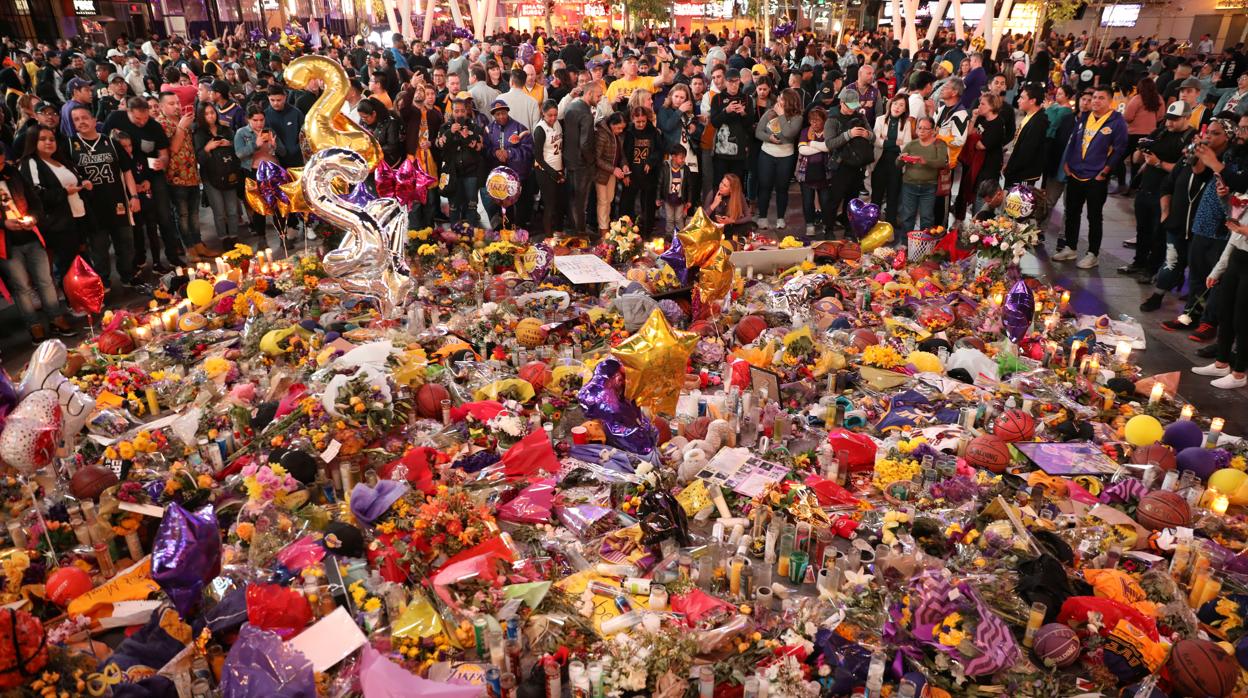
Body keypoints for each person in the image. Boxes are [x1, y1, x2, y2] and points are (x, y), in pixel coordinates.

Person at [0, 145, 75, 343]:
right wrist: (3, 223)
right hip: (6, 244)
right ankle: (34, 325)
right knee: (22, 286)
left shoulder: (12, 173)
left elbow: (34, 200)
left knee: (45, 280)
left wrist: (33, 217)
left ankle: (56, 318)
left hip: (31, 235)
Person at [103, 96, 186, 268]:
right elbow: (103, 141)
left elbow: (164, 153)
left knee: (164, 215)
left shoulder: (154, 126)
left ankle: (172, 254)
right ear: (128, 112)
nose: (141, 122)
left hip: (151, 173)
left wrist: (162, 162)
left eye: (145, 117)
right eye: (137, 119)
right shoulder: (115, 119)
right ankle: (138, 258)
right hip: (124, 174)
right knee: (135, 221)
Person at [1118, 100, 1195, 282]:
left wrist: (1159, 163)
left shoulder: (1191, 138)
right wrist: (1140, 151)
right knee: (1142, 230)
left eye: (1175, 120)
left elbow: (1185, 168)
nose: (1169, 123)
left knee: (1159, 234)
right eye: (1168, 119)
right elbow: (1138, 158)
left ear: (1187, 118)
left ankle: (1152, 268)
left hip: (1167, 194)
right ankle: (1139, 262)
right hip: (1146, 188)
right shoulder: (1160, 132)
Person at [1054, 86, 1128, 269]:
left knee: (1094, 216)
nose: (1095, 101)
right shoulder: (1084, 117)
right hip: (1076, 173)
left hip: (1096, 177)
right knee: (1071, 212)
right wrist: (1068, 162)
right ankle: (1070, 247)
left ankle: (1092, 253)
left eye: (1101, 98)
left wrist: (1106, 171)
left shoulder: (1116, 122)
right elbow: (1074, 140)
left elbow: (1120, 149)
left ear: (1110, 101)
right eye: (1094, 97)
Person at [68, 105, 139, 291]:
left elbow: (127, 170)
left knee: (126, 243)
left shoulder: (110, 142)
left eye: (84, 117)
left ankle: (127, 275)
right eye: (76, 119)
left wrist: (134, 196)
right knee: (99, 249)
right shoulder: (69, 146)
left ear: (93, 121)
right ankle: (103, 281)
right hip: (91, 207)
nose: (81, 122)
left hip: (117, 203)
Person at [17, 124, 88, 283]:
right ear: (33, 141)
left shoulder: (60, 160)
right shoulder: (30, 162)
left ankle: (88, 297)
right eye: (42, 139)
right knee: (67, 264)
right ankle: (74, 302)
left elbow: (74, 181)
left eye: (51, 139)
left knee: (82, 259)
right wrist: (64, 192)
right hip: (58, 222)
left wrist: (83, 184)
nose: (48, 142)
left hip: (78, 216)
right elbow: (35, 194)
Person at [1197, 209, 1248, 390]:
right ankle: (1221, 363)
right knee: (1225, 314)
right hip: (1237, 260)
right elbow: (1233, 239)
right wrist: (1218, 269)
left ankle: (1239, 373)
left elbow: (1241, 230)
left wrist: (1243, 230)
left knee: (1242, 320)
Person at [156, 91, 210, 260]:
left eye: (177, 103)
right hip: (176, 177)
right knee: (183, 215)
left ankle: (199, 243)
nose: (177, 106)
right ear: (161, 106)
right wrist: (181, 127)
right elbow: (173, 148)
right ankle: (189, 248)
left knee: (194, 213)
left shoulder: (182, 120)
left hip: (192, 173)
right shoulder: (161, 124)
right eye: (171, 104)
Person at [753, 88, 802, 232]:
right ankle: (762, 217)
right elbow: (758, 132)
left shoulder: (797, 117)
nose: (779, 101)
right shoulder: (769, 113)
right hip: (767, 153)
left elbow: (788, 133)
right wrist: (769, 138)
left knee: (782, 188)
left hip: (786, 156)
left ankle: (780, 218)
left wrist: (781, 115)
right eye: (779, 98)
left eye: (782, 99)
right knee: (764, 186)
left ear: (790, 102)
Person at [194, 103, 242, 249]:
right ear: (202, 116)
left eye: (212, 112)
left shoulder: (226, 129)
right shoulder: (199, 134)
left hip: (229, 173)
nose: (211, 116)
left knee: (232, 209)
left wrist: (229, 144)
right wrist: (208, 148)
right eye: (207, 113)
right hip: (210, 176)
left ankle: (234, 236)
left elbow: (237, 149)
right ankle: (224, 238)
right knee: (219, 211)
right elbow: (198, 158)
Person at [235, 104, 286, 238]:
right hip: (254, 171)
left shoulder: (270, 131)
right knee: (258, 205)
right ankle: (261, 236)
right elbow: (239, 154)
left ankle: (282, 234)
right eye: (255, 120)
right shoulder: (242, 133)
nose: (259, 123)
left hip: (273, 171)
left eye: (261, 120)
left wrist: (275, 146)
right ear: (248, 120)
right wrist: (255, 145)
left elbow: (283, 152)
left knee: (277, 204)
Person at [437, 95, 486, 228]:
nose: (459, 114)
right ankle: (454, 236)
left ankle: (471, 234)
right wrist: (450, 132)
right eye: (456, 111)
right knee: (453, 207)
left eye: (462, 111)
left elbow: (479, 147)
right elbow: (440, 146)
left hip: (471, 172)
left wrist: (467, 136)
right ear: (451, 111)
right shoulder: (445, 127)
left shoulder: (474, 126)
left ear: (467, 111)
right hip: (452, 174)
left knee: (471, 205)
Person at [483, 99, 533, 224]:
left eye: (503, 113)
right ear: (493, 115)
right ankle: (508, 231)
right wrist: (495, 153)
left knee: (521, 206)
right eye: (497, 114)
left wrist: (509, 153)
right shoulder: (489, 130)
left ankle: (522, 232)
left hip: (518, 175)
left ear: (507, 112)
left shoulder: (520, 128)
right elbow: (485, 149)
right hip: (499, 178)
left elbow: (529, 150)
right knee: (504, 206)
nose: (501, 116)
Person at [562, 82, 601, 239]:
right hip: (581, 163)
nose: (599, 99)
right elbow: (585, 144)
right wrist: (592, 161)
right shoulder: (585, 114)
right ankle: (580, 234)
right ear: (589, 93)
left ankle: (574, 230)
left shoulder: (571, 106)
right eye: (598, 96)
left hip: (569, 159)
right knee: (580, 201)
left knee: (572, 198)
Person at [897, 116, 950, 230]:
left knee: (927, 217)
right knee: (907, 216)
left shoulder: (939, 144)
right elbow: (898, 164)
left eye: (925, 128)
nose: (921, 130)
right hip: (909, 185)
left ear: (933, 130)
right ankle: (905, 243)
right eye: (919, 127)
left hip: (930, 186)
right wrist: (900, 159)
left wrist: (925, 161)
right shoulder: (911, 144)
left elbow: (942, 162)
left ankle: (925, 245)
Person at [657, 83, 702, 213]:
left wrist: (695, 127)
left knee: (690, 186)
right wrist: (679, 111)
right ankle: (670, 221)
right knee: (673, 186)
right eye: (676, 96)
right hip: (673, 154)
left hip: (689, 153)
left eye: (682, 97)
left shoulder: (688, 112)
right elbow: (667, 126)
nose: (679, 100)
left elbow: (697, 133)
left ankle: (688, 215)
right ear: (670, 96)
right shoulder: (664, 110)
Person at [621, 105, 663, 235]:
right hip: (632, 173)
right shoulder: (628, 132)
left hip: (648, 174)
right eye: (638, 121)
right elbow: (623, 154)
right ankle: (625, 231)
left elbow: (659, 151)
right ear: (633, 119)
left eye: (643, 121)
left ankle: (646, 232)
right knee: (627, 203)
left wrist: (651, 162)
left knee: (648, 205)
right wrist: (625, 174)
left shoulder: (653, 132)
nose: (641, 124)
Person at [871, 94, 912, 226]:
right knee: (876, 194)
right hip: (880, 161)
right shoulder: (880, 119)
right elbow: (876, 142)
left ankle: (890, 225)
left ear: (905, 109)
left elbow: (906, 145)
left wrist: (887, 141)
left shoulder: (906, 123)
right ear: (890, 104)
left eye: (901, 105)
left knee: (893, 195)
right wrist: (895, 142)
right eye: (895, 103)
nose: (897, 107)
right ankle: (872, 223)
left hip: (896, 163)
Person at [709, 70, 754, 185]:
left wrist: (743, 113)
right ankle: (719, 203)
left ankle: (737, 203)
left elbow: (750, 125)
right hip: (721, 152)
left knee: (737, 185)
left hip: (739, 151)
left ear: (740, 81)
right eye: (730, 81)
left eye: (736, 81)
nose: (733, 84)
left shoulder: (747, 99)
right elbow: (714, 123)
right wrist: (726, 111)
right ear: (725, 81)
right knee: (719, 184)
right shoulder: (717, 99)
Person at [1121, 77, 1165, 192]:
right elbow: (1161, 116)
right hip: (1150, 135)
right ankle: (1135, 186)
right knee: (1139, 162)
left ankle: (1122, 184)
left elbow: (1128, 117)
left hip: (1134, 134)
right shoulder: (1159, 99)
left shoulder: (1137, 99)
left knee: (1119, 157)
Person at [1003, 84, 1050, 188]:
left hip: (1023, 175)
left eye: (1022, 97)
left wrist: (1010, 168)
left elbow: (1026, 152)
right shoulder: (1030, 116)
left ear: (1032, 101)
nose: (1018, 100)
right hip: (1017, 171)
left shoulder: (1038, 122)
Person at [532, 100, 564, 239]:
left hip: (558, 169)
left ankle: (559, 231)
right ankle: (549, 237)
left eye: (555, 114)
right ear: (543, 114)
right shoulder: (540, 129)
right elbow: (538, 157)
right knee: (549, 204)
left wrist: (561, 170)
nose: (553, 118)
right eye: (549, 115)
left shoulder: (557, 124)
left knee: (560, 203)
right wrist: (554, 173)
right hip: (545, 171)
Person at [797, 107, 830, 237]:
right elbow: (802, 150)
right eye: (811, 120)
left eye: (817, 120)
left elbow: (829, 147)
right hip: (806, 171)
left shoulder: (829, 131)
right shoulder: (805, 131)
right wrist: (820, 147)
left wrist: (812, 144)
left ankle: (826, 225)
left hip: (825, 172)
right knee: (807, 200)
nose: (814, 123)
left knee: (825, 200)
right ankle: (809, 225)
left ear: (824, 121)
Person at [593, 112, 627, 239]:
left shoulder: (617, 135)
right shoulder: (602, 134)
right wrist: (613, 169)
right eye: (618, 128)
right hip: (601, 174)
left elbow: (620, 153)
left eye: (622, 128)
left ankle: (605, 226)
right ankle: (603, 230)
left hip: (612, 173)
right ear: (612, 124)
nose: (620, 130)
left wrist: (624, 165)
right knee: (603, 201)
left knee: (610, 200)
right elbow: (597, 158)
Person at [264, 85, 305, 169]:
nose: (275, 103)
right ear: (268, 98)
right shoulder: (264, 116)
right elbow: (265, 140)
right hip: (276, 161)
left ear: (285, 97)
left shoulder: (296, 113)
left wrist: (298, 150)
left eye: (279, 100)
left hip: (297, 159)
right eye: (272, 100)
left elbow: (305, 135)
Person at [704, 172, 751, 240]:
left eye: (725, 185)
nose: (721, 186)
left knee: (750, 226)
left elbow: (748, 217)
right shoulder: (713, 193)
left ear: (731, 190)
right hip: (713, 227)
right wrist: (714, 204)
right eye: (721, 182)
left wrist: (732, 221)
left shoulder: (738, 196)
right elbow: (702, 217)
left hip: (729, 227)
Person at [660, 143, 691, 231]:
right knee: (669, 219)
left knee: (678, 219)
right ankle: (669, 236)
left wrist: (689, 200)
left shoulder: (686, 169)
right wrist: (658, 198)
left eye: (684, 158)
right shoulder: (665, 168)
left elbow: (689, 186)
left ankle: (680, 236)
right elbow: (660, 183)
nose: (683, 160)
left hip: (680, 200)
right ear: (673, 157)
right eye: (681, 158)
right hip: (668, 199)